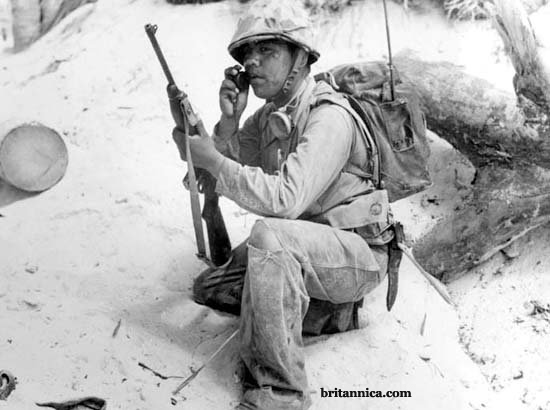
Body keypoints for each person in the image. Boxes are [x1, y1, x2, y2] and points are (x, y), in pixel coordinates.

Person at [172, 0, 395, 408]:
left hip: (356, 253)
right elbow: (225, 174)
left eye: (267, 52)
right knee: (212, 289)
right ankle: (322, 312)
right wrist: (228, 122)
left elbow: (285, 201)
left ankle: (281, 392)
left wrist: (214, 159)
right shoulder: (271, 114)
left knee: (269, 234)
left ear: (300, 57)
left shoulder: (330, 116)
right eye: (246, 55)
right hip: (307, 246)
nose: (252, 63)